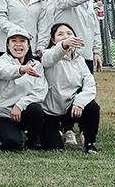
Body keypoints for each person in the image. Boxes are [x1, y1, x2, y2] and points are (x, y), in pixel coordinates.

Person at [42, 0, 115, 72]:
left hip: (86, 56)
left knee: (87, 87)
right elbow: (71, 0)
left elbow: (94, 28)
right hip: (66, 56)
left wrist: (96, 52)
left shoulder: (88, 0)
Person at [41, 23, 101, 154]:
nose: (65, 37)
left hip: (71, 108)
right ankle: (55, 130)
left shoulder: (80, 60)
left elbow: (90, 85)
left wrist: (79, 103)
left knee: (92, 107)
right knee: (54, 148)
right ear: (53, 40)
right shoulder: (47, 55)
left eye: (69, 34)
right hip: (50, 111)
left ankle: (89, 143)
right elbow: (50, 58)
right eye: (60, 34)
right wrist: (64, 45)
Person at [0, 26, 47, 152]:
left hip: (24, 111)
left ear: (28, 46)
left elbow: (40, 91)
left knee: (36, 110)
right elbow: (2, 71)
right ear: (8, 45)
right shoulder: (2, 60)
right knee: (13, 144)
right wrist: (21, 70)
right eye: (14, 41)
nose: (18, 44)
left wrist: (20, 105)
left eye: (22, 41)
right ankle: (5, 140)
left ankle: (31, 144)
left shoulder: (36, 65)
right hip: (3, 113)